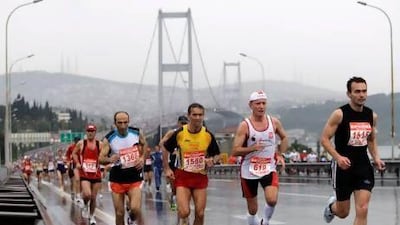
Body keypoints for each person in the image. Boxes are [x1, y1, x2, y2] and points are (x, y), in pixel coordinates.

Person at [320, 76, 385, 225]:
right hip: (343, 166)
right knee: (343, 212)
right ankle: (332, 207)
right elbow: (324, 139)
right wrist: (338, 158)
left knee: (363, 208)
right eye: (357, 91)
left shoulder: (371, 116)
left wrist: (376, 158)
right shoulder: (339, 114)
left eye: (364, 91)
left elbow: (371, 139)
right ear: (349, 94)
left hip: (363, 165)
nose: (361, 95)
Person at [231, 90, 288, 225]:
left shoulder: (273, 122)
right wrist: (252, 148)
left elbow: (285, 137)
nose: (261, 106)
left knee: (272, 199)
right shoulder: (245, 126)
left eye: (263, 103)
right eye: (258, 103)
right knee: (252, 209)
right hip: (248, 171)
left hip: (268, 168)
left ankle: (266, 221)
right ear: (251, 105)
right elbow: (235, 151)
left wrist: (280, 154)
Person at [162, 103, 220, 225]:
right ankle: (184, 220)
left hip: (200, 176)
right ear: (189, 116)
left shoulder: (208, 135)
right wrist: (167, 168)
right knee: (184, 212)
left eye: (200, 115)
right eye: (194, 115)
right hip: (183, 176)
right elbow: (165, 148)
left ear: (203, 116)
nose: (197, 118)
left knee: (200, 213)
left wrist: (212, 161)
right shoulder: (180, 133)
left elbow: (217, 154)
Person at [99, 111, 148, 225]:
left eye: (125, 122)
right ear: (115, 123)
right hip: (117, 178)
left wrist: (142, 158)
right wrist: (110, 159)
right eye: (119, 123)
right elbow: (100, 158)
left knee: (135, 210)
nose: (122, 126)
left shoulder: (136, 132)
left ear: (129, 121)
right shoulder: (109, 138)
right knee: (119, 213)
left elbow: (144, 144)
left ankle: (131, 218)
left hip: (134, 176)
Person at [73, 124, 102, 225]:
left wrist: (106, 164)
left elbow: (104, 156)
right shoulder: (81, 143)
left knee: (93, 197)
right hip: (85, 173)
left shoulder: (100, 144)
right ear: (86, 132)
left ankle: (92, 216)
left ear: (95, 132)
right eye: (89, 131)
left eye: (92, 131)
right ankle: (85, 204)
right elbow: (74, 153)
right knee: (87, 194)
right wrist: (77, 162)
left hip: (96, 173)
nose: (90, 133)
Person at [159, 115, 188, 211]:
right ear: (178, 123)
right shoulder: (172, 133)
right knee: (174, 186)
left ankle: (183, 206)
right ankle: (173, 197)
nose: (183, 125)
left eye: (185, 123)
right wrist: (172, 149)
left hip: (184, 162)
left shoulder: (189, 133)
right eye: (182, 123)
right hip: (173, 162)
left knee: (184, 186)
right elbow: (162, 143)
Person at [66, 136, 82, 203]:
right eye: (76, 141)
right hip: (73, 164)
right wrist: (68, 161)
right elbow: (67, 155)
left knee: (79, 180)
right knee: (74, 180)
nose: (77, 143)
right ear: (74, 141)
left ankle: (78, 195)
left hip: (81, 164)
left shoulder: (82, 147)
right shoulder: (71, 147)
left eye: (78, 141)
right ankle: (73, 192)